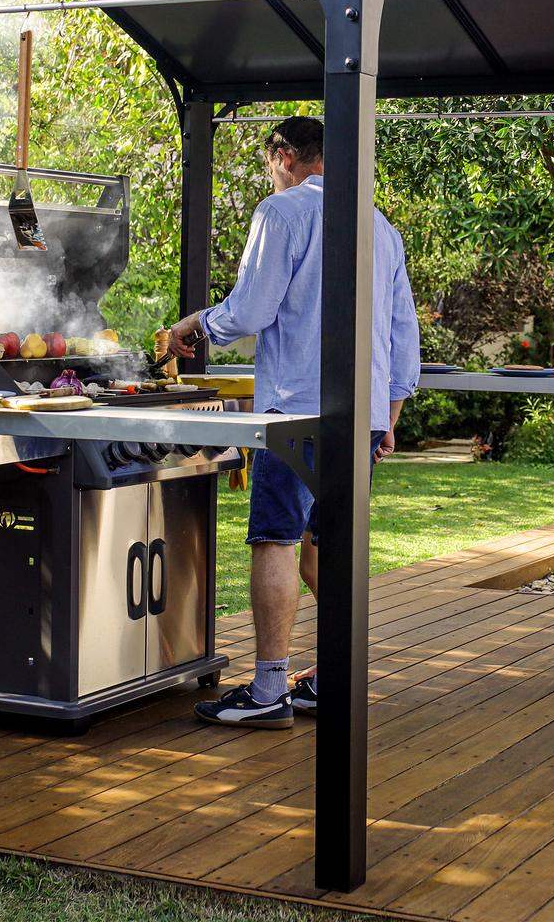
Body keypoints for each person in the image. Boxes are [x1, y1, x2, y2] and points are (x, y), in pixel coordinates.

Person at [168, 116, 419, 729]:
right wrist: (386, 417)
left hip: (297, 413)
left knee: (277, 540)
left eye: (268, 162)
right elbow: (401, 336)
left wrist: (195, 325)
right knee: (326, 544)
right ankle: (333, 677)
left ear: (284, 156)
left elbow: (253, 307)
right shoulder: (380, 227)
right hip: (356, 417)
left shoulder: (280, 213)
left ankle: (267, 689)